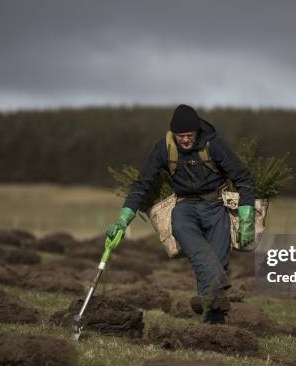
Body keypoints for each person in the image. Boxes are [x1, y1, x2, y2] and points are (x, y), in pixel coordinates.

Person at [106, 104, 255, 324]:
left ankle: (213, 325)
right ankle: (213, 302)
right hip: (185, 207)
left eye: (189, 135)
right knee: (192, 243)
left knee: (217, 263)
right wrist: (123, 218)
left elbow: (244, 179)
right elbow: (142, 185)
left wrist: (246, 218)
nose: (184, 140)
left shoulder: (214, 145)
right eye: (180, 136)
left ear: (197, 132)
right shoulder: (163, 148)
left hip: (216, 206)